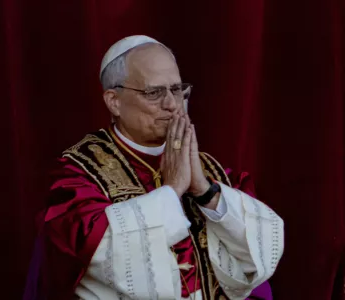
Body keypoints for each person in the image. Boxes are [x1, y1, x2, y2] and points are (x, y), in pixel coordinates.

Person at [23, 35, 284, 300]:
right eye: (154, 92)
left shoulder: (210, 171)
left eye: (177, 89)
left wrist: (205, 192)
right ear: (114, 101)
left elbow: (262, 252)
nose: (172, 104)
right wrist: (171, 192)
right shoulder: (80, 174)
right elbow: (95, 253)